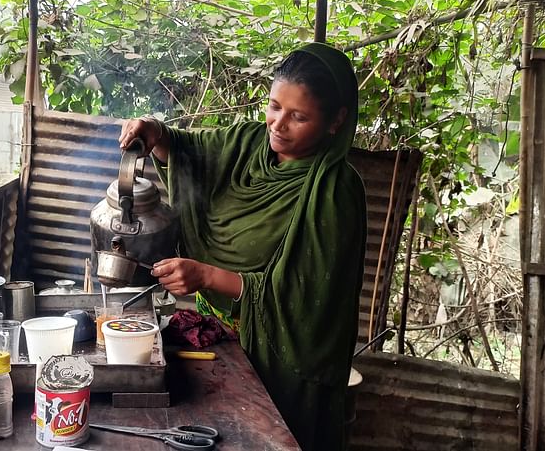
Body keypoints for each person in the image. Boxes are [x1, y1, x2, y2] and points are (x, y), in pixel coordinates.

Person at [119, 42, 367, 450]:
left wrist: (207, 276)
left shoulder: (335, 192)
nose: (277, 124)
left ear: (337, 120)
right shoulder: (247, 143)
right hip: (214, 336)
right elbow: (186, 151)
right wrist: (154, 131)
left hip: (282, 361)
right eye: (274, 106)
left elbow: (309, 300)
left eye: (298, 116)